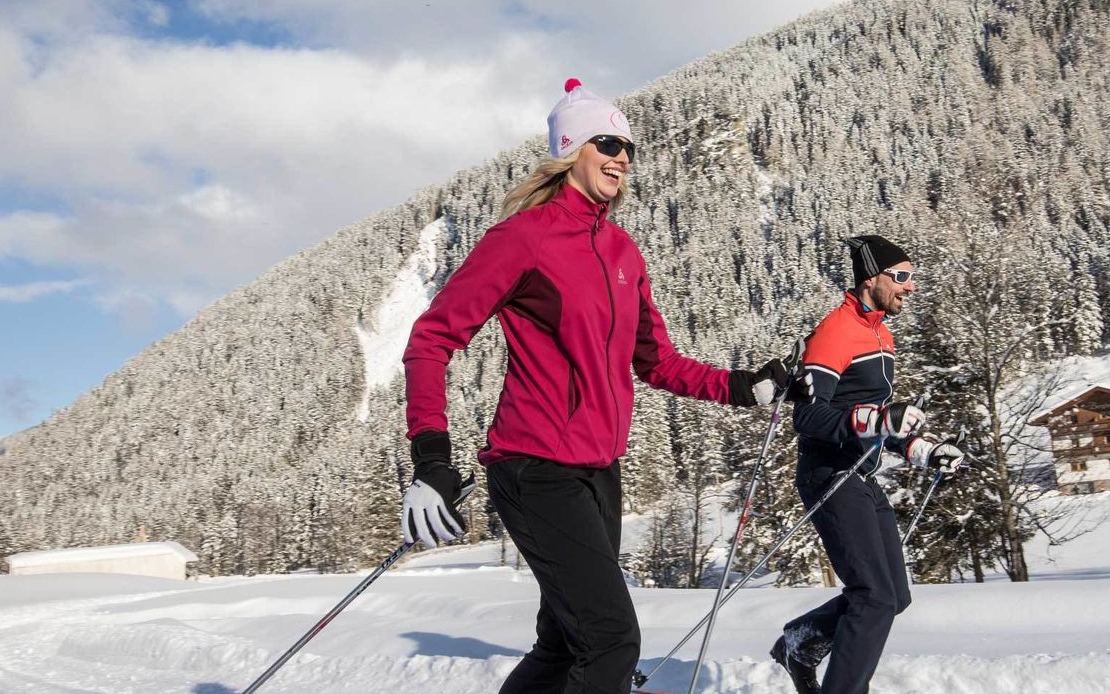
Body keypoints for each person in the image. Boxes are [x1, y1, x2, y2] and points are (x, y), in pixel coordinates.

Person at [398, 78, 791, 694]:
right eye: (607, 142)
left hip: (598, 471)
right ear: (571, 148)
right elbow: (431, 341)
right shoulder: (524, 237)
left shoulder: (622, 251)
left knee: (563, 644)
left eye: (629, 146)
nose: (623, 157)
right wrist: (430, 458)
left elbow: (656, 362)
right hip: (534, 467)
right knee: (611, 641)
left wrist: (744, 387)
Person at [769, 235, 965, 694]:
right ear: (871, 278)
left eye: (912, 277)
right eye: (900, 277)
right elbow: (809, 416)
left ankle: (802, 641)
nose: (910, 286)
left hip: (860, 473)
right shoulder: (836, 331)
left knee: (894, 596)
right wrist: (876, 418)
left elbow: (881, 423)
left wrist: (924, 450)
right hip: (829, 473)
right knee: (872, 599)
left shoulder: (881, 333)